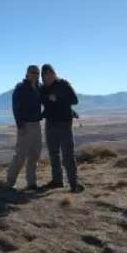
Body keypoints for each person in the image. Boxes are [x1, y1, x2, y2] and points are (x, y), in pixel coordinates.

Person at [40, 63, 83, 192]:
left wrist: (58, 97)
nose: (48, 76)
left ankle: (74, 182)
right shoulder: (43, 89)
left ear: (54, 73)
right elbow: (43, 101)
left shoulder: (63, 84)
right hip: (50, 123)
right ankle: (57, 180)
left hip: (64, 122)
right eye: (45, 74)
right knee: (53, 153)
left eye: (50, 73)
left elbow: (74, 100)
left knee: (68, 152)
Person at [7, 65, 44, 190]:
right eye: (32, 72)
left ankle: (31, 183)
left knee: (35, 154)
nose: (35, 74)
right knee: (21, 154)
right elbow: (16, 108)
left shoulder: (39, 87)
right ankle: (10, 182)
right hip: (26, 125)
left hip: (37, 124)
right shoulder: (21, 88)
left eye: (37, 73)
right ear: (27, 73)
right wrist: (20, 126)